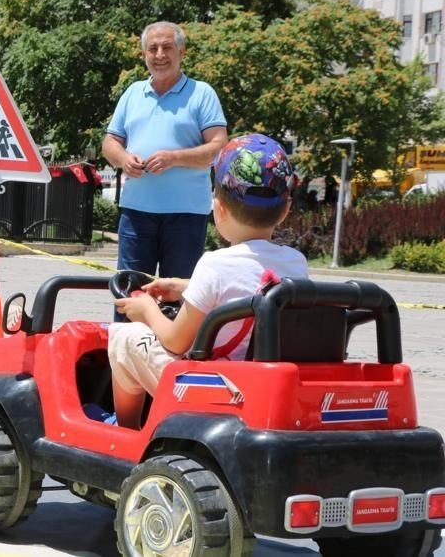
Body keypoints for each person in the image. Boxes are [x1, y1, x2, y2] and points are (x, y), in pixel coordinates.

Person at [106, 133, 308, 429]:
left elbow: (175, 340)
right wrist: (185, 287)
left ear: (219, 208)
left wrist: (147, 308)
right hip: (263, 380)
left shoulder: (214, 264)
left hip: (215, 388)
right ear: (285, 210)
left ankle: (126, 432)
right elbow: (255, 289)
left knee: (123, 338)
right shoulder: (295, 263)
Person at [102, 22, 229, 290]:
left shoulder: (202, 93)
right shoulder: (132, 93)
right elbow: (110, 142)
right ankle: (130, 335)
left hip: (185, 215)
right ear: (144, 55)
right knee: (130, 294)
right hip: (136, 213)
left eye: (167, 47)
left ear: (182, 52)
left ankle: (174, 335)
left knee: (179, 297)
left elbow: (219, 147)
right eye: (153, 49)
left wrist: (174, 158)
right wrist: (123, 158)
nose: (160, 55)